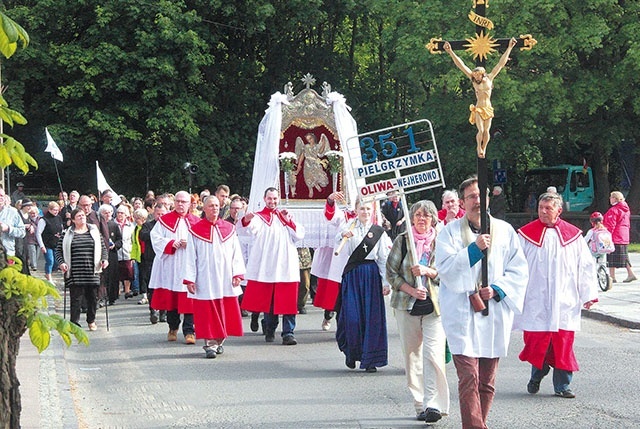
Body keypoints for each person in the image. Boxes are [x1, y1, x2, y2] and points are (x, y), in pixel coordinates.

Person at [435, 176, 528, 429]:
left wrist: (497, 289)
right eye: (471, 197)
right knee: (469, 378)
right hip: (462, 314)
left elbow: (519, 270)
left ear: (488, 197)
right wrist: (474, 250)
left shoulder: (505, 231)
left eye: (480, 195)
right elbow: (445, 269)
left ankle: (478, 423)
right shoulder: (450, 233)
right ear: (463, 202)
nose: (477, 201)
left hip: (493, 314)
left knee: (486, 381)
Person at [515, 192, 598, 398]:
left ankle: (563, 385)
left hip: (564, 299)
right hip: (536, 299)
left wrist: (588, 293)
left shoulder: (573, 236)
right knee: (537, 341)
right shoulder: (525, 235)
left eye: (548, 208)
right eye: (541, 208)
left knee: (563, 343)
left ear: (559, 211)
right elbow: (513, 265)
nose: (543, 211)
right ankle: (538, 373)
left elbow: (585, 266)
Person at [386, 200, 449, 423]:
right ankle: (420, 403)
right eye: (418, 215)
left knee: (433, 353)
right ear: (412, 218)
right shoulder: (403, 241)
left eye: (427, 216)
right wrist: (411, 290)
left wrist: (429, 272)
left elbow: (450, 272)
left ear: (433, 219)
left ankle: (434, 403)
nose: (422, 219)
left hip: (435, 306)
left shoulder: (442, 241)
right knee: (412, 355)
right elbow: (391, 274)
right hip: (407, 304)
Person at [240, 187, 305, 345]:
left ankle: (288, 333)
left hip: (286, 265)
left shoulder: (285, 216)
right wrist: (246, 220)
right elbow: (247, 231)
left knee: (288, 301)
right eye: (270, 198)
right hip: (268, 265)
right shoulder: (259, 217)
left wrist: (289, 221)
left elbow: (299, 235)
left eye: (275, 198)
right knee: (270, 301)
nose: (272, 201)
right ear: (264, 199)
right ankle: (270, 328)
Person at [184, 196, 246, 358]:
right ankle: (209, 343)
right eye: (211, 206)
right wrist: (190, 278)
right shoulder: (195, 230)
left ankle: (219, 341)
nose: (215, 208)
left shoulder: (229, 228)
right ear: (204, 208)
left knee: (226, 309)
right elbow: (190, 256)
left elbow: (236, 253)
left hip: (225, 278)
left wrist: (237, 273)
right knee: (207, 311)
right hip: (205, 278)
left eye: (217, 206)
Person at [336, 198, 392, 373]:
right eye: (362, 209)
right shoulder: (348, 228)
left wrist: (385, 282)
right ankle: (351, 353)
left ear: (372, 210)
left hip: (371, 274)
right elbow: (337, 243)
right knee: (352, 317)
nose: (365, 212)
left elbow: (383, 258)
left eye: (368, 209)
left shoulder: (379, 232)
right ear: (356, 210)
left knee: (371, 317)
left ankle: (370, 360)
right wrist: (343, 235)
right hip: (353, 274)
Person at [443, 38, 518, 158]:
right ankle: (479, 147)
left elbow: (500, 64)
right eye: (475, 75)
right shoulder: (473, 81)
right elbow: (461, 65)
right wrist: (450, 52)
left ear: (482, 74)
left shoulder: (490, 78)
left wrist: (509, 47)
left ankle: (484, 148)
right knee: (481, 130)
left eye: (478, 75)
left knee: (487, 131)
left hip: (488, 107)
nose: (476, 77)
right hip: (479, 107)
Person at [149, 191, 200, 344]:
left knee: (189, 298)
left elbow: (203, 243)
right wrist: (171, 244)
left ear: (190, 204)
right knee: (171, 299)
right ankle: (172, 327)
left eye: (183, 202)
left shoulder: (196, 221)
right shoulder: (164, 221)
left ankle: (189, 331)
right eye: (177, 201)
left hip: (189, 265)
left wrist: (189, 244)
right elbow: (155, 238)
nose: (180, 204)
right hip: (171, 264)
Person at [55, 208, 109, 330]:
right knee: (76, 300)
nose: (82, 217)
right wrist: (62, 263)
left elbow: (103, 249)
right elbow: (58, 251)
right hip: (74, 271)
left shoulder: (94, 232)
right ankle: (74, 323)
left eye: (83, 215)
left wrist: (104, 260)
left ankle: (91, 320)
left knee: (93, 298)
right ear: (73, 220)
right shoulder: (66, 233)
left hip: (92, 270)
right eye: (78, 216)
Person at [311, 191, 355, 331]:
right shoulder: (343, 216)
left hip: (356, 260)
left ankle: (346, 326)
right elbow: (330, 216)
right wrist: (330, 200)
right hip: (340, 260)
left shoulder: (367, 217)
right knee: (334, 295)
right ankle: (328, 316)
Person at [139, 202, 168, 324]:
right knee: (152, 288)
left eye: (162, 214)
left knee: (165, 287)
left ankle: (163, 312)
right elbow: (143, 235)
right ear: (154, 213)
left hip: (165, 260)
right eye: (158, 214)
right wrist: (156, 236)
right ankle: (153, 310)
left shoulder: (169, 227)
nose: (160, 216)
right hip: (151, 261)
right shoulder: (148, 226)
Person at [604, 191, 636, 283]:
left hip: (616, 236)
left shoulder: (614, 210)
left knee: (611, 256)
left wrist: (607, 235)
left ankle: (612, 277)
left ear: (614, 198)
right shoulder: (626, 209)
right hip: (624, 235)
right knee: (624, 256)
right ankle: (630, 274)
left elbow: (611, 224)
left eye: (611, 197)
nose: (610, 199)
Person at [98, 204, 122, 305]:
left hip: (112, 254)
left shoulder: (114, 225)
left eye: (109, 212)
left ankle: (112, 297)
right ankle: (102, 297)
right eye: (105, 213)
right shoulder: (98, 225)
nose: (108, 215)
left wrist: (115, 245)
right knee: (102, 277)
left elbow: (119, 240)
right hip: (101, 254)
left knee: (112, 276)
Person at [294, 132, 330, 198]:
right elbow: (302, 156)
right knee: (308, 176)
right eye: (308, 140)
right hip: (307, 163)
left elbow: (320, 152)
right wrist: (299, 164)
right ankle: (310, 189)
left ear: (313, 138)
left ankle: (316, 183)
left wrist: (323, 144)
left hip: (315, 162)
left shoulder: (317, 146)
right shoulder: (306, 147)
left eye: (310, 138)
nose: (309, 140)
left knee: (318, 173)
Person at [36, 201, 64, 282]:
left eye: (57, 210)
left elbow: (61, 229)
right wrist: (42, 245)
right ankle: (49, 277)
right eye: (54, 210)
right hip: (47, 244)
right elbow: (38, 233)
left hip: (57, 243)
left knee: (56, 262)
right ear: (50, 210)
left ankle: (49, 273)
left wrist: (61, 235)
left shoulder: (59, 218)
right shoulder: (44, 220)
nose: (56, 212)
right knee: (50, 261)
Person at [0, 187, 26, 257]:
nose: (0, 198)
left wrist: (8, 228)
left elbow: (22, 232)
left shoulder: (12, 212)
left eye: (2, 195)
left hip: (7, 253)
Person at [130, 208, 149, 304]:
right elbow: (134, 244)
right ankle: (144, 295)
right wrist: (133, 257)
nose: (135, 219)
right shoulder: (136, 229)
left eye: (137, 218)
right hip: (140, 256)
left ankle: (149, 295)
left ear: (143, 218)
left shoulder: (148, 227)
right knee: (142, 276)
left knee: (147, 275)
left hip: (148, 255)